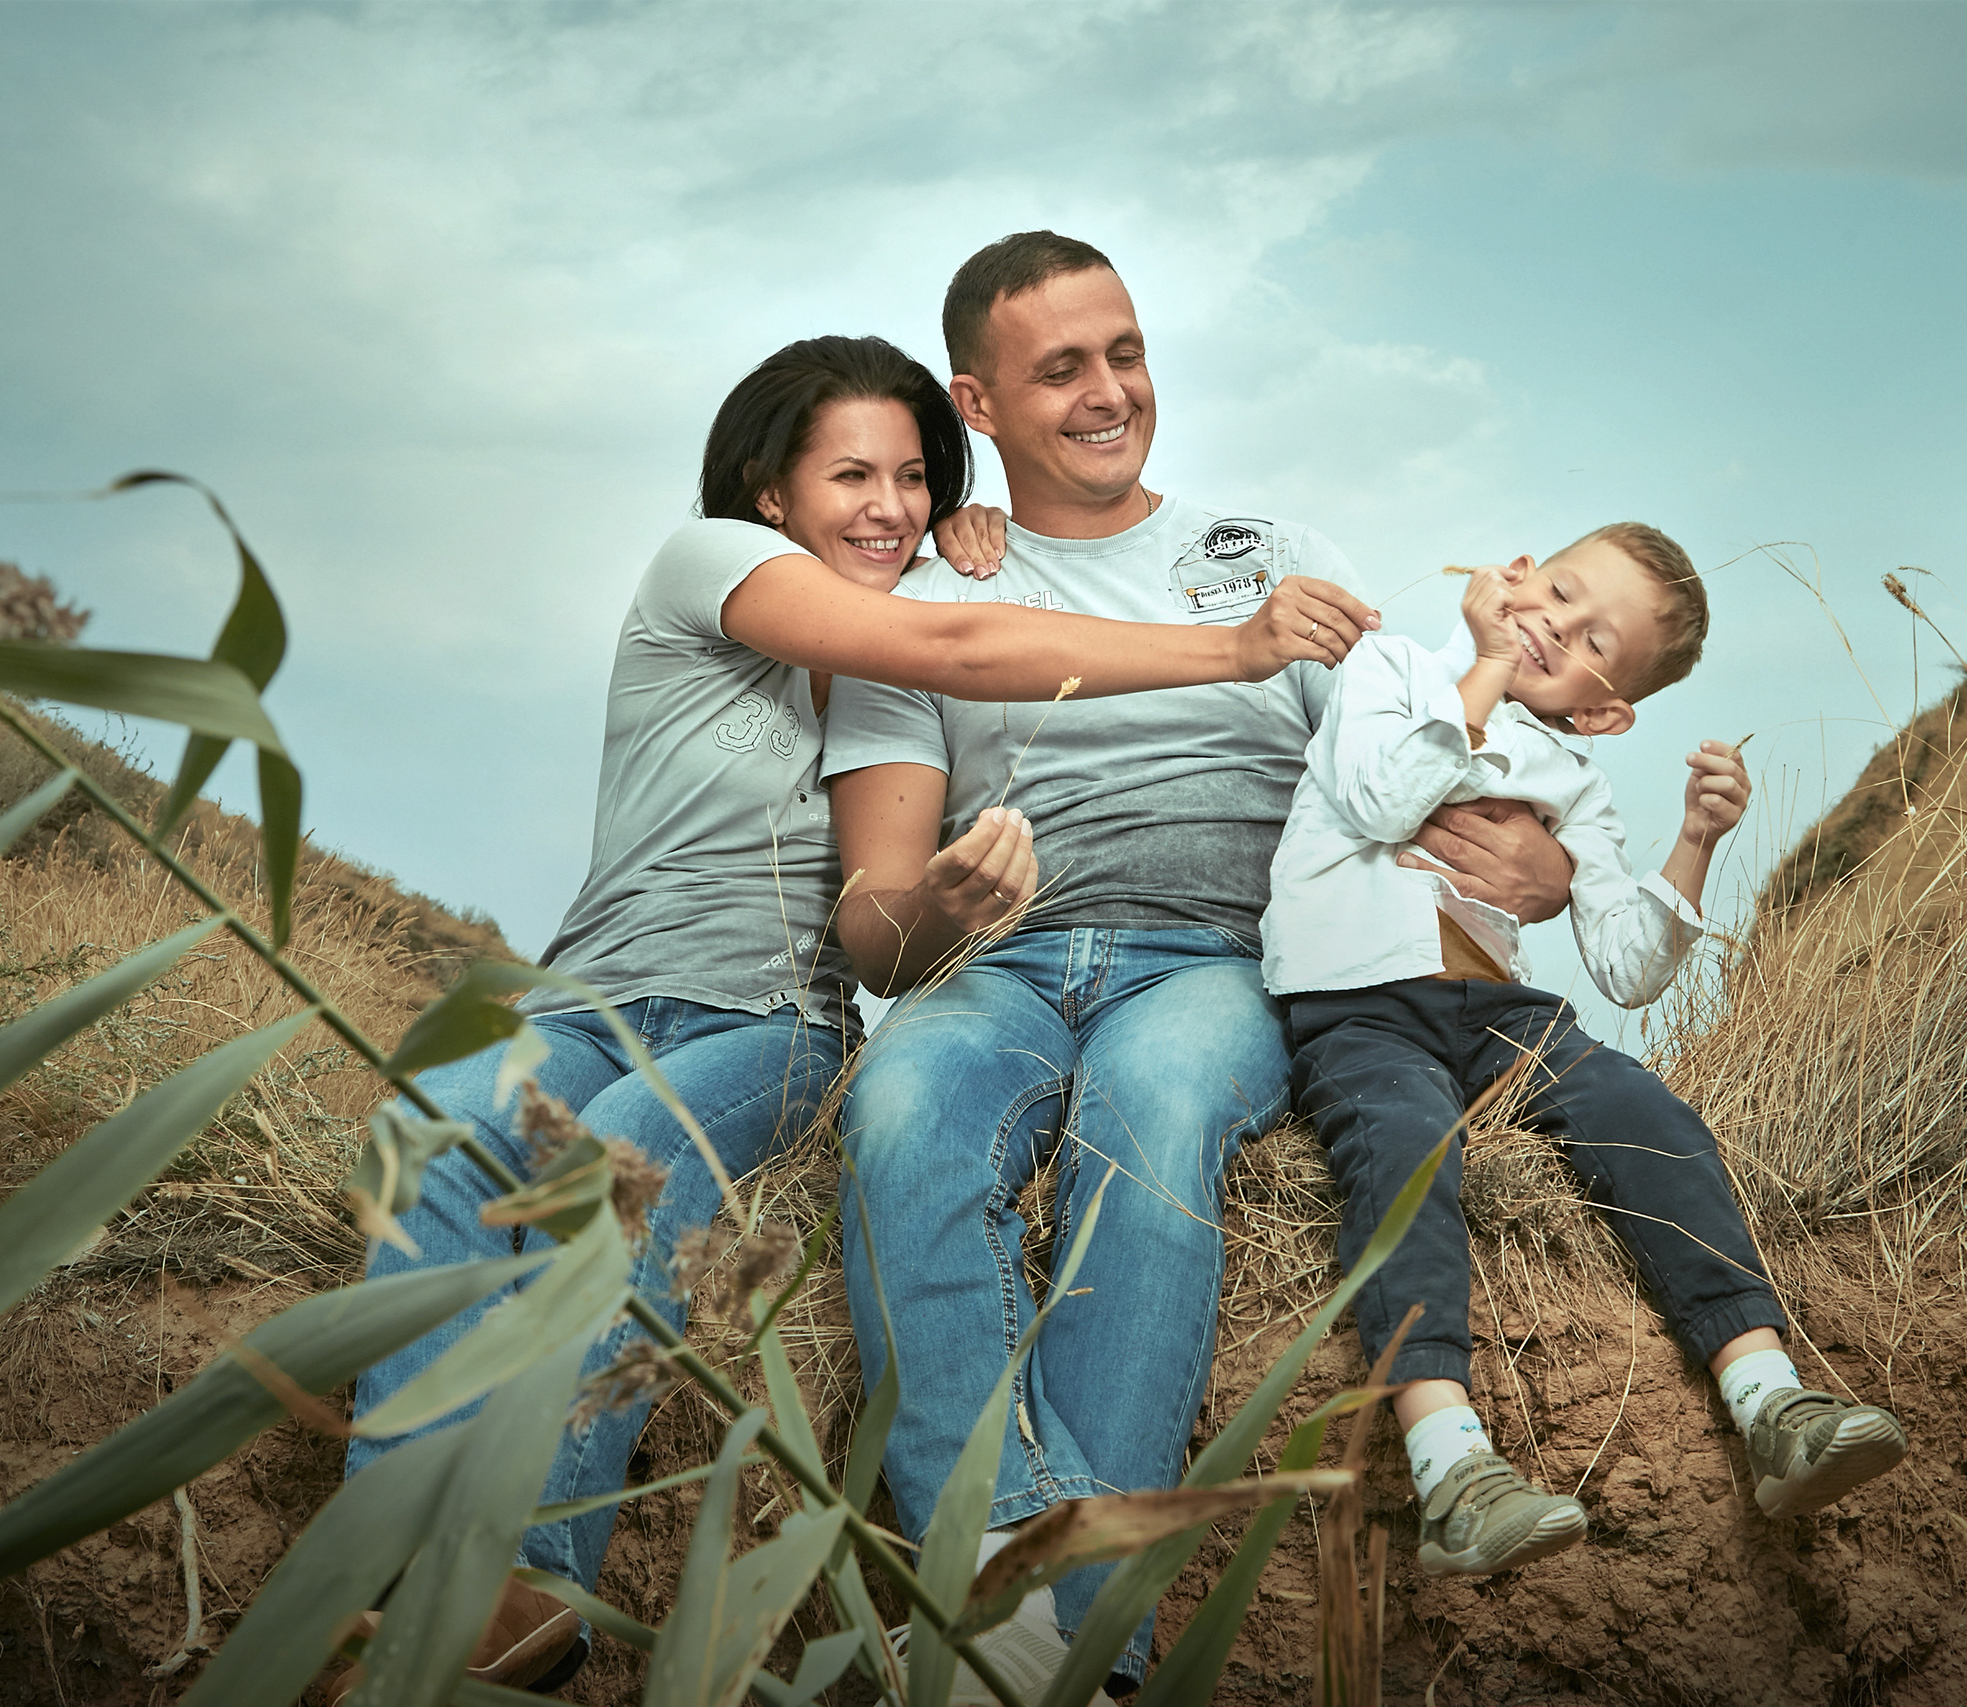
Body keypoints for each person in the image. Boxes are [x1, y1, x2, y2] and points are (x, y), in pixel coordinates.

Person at [324, 333, 1371, 1701]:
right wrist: (1226, 645)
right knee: (443, 1125)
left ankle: (526, 1581)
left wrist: (975, 546)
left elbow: (902, 830)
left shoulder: (914, 626)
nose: (888, 505)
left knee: (617, 1166)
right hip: (588, 989)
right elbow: (947, 636)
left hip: (764, 1014)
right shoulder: (710, 566)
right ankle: (393, 1573)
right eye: (852, 475)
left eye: (915, 476)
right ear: (768, 490)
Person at [820, 232, 1575, 1700]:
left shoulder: (1281, 556)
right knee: (903, 1111)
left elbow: (1419, 775)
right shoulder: (919, 594)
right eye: (1061, 370)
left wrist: (1540, 868)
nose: (1110, 392)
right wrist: (943, 908)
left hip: (1215, 956)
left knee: (1156, 1106)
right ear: (976, 404)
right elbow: (874, 926)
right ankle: (1023, 1587)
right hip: (1003, 960)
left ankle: (1063, 1621)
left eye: (1127, 352)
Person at [1264, 523, 1911, 1582]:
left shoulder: (1577, 777)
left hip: (1491, 1009)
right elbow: (1381, 797)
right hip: (1357, 1001)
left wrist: (1694, 843)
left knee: (1644, 1112)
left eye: (1594, 637)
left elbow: (1627, 966)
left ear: (1606, 712)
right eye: (1556, 590)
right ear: (1512, 572)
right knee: (1406, 1144)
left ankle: (1769, 1398)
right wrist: (1480, 665)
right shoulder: (1392, 667)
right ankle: (1450, 1465)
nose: (1555, 623)